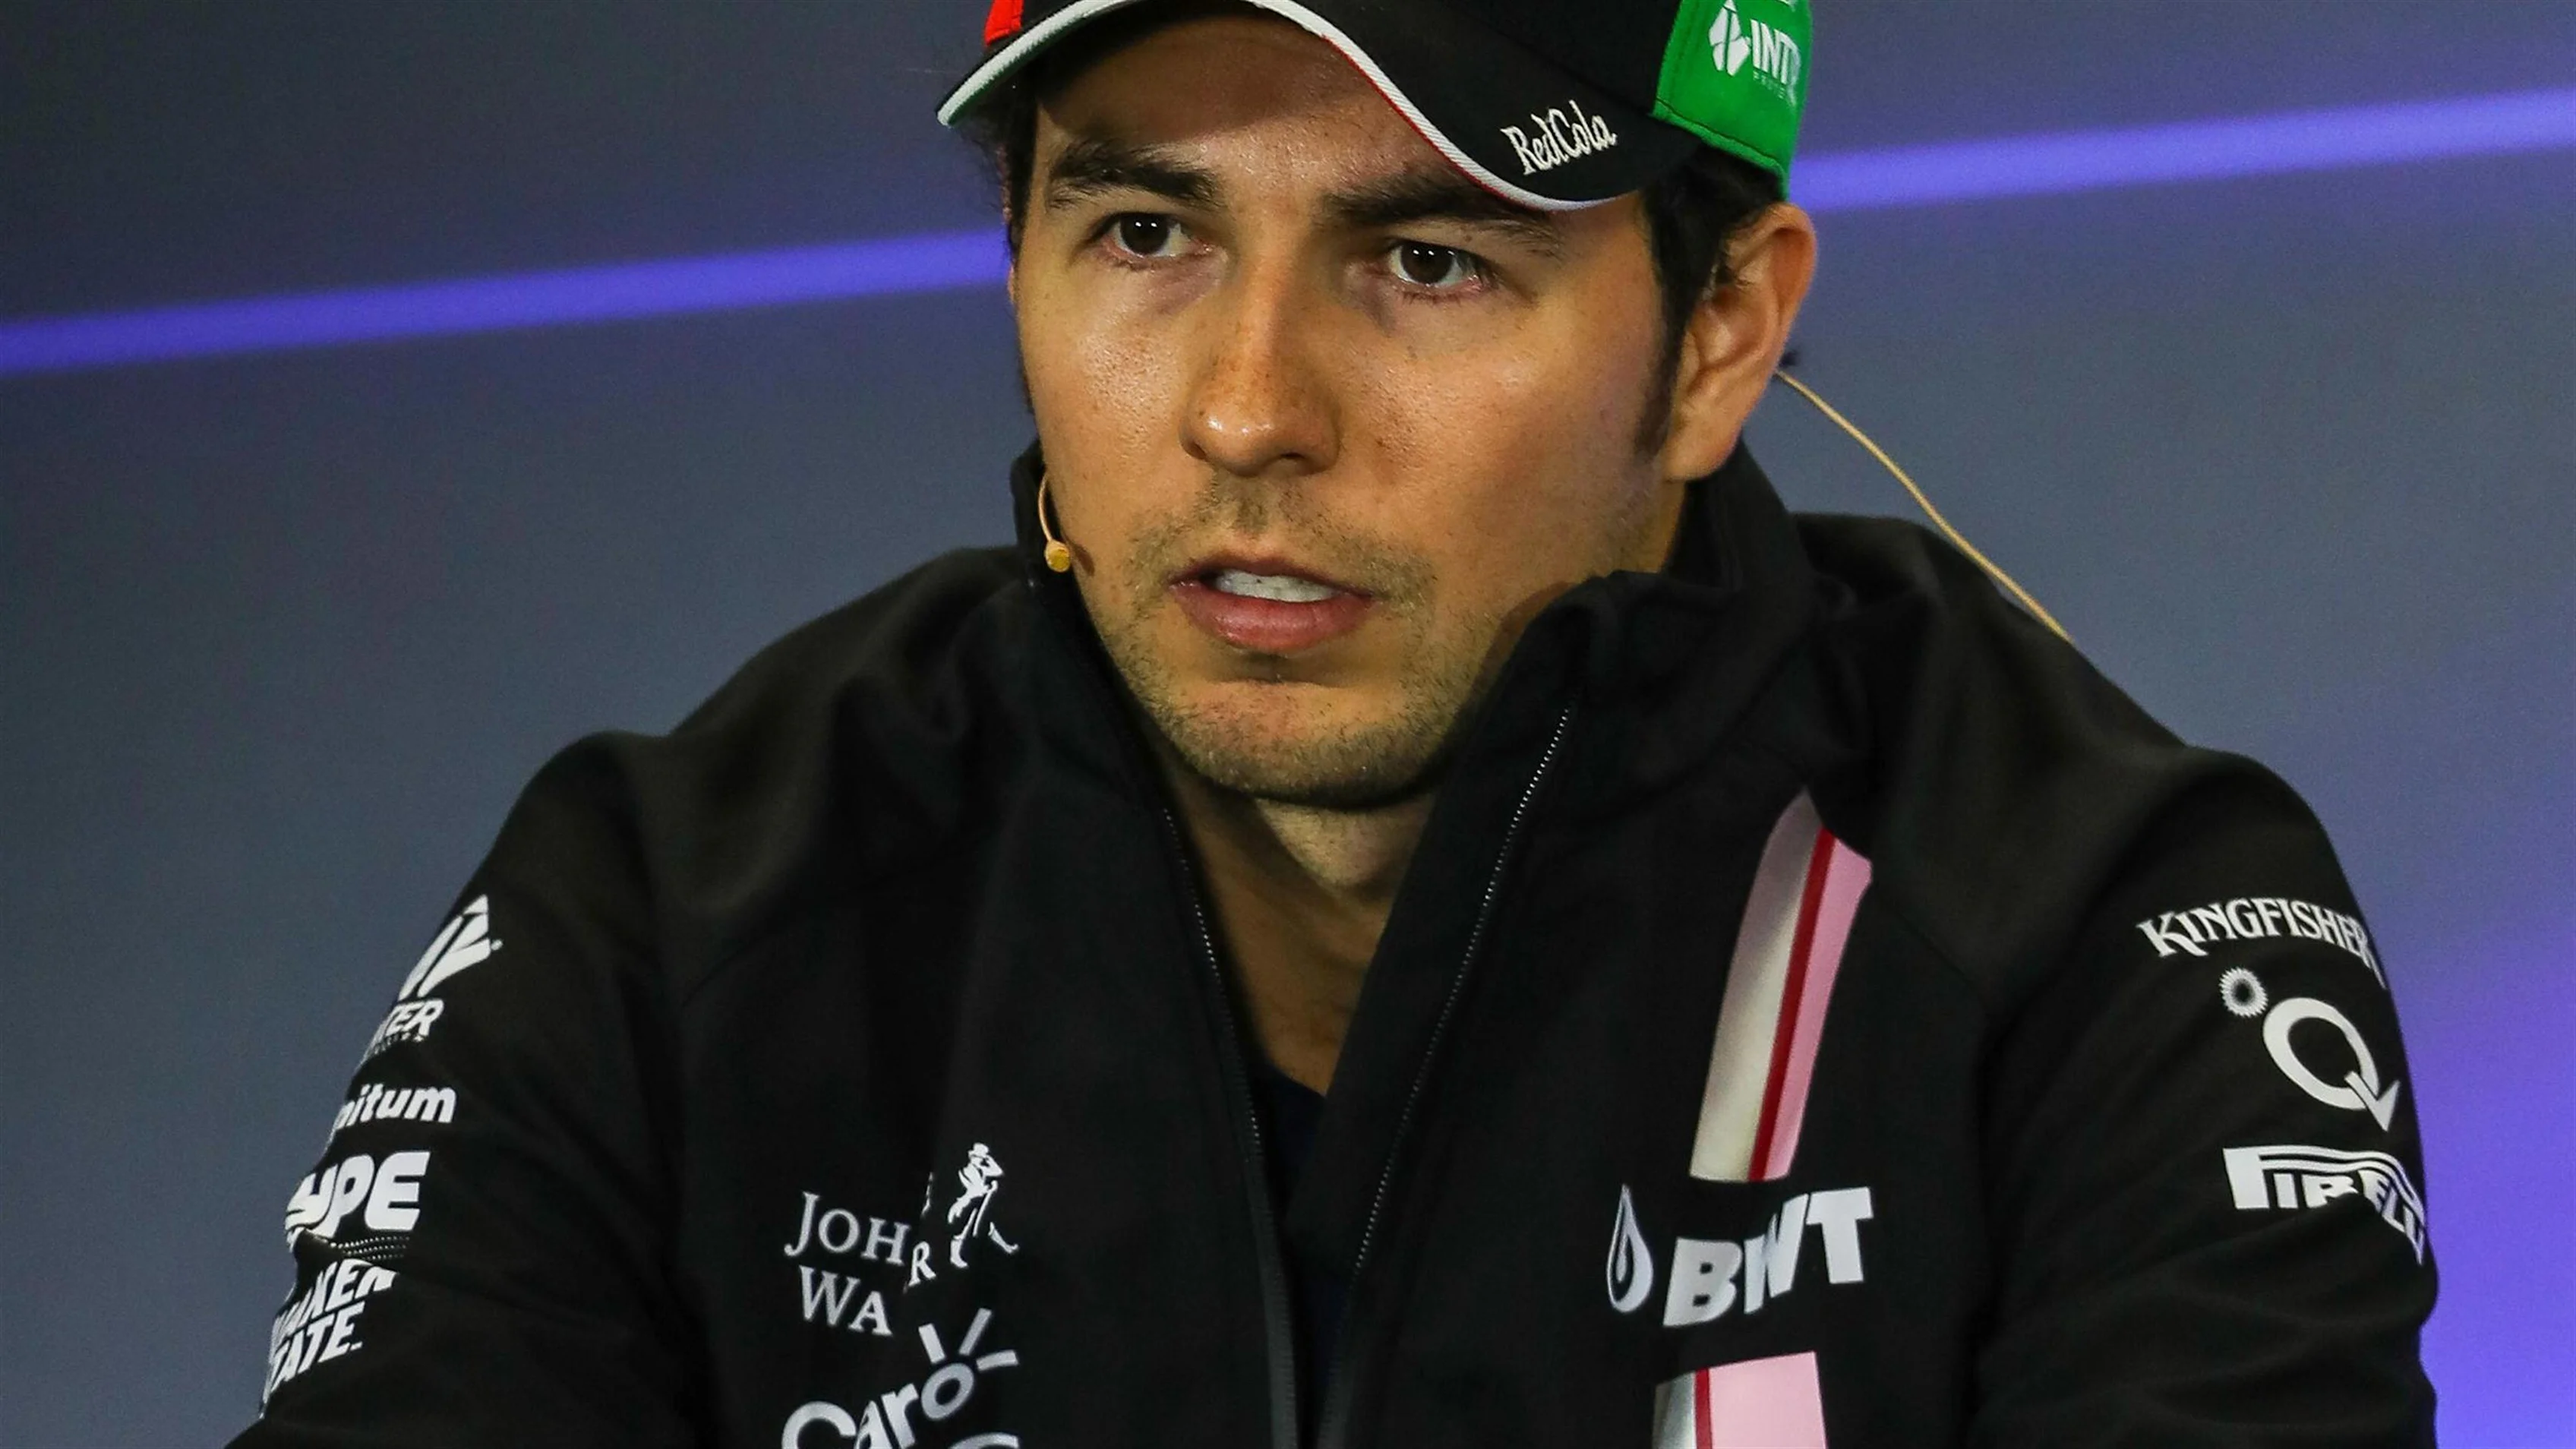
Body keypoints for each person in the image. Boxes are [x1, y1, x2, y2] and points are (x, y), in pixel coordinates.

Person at [231, 0, 2438, 1444]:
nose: (1247, 410)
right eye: (1139, 230)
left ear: (1718, 339)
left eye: (1427, 261)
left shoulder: (2111, 935)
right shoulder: (666, 912)